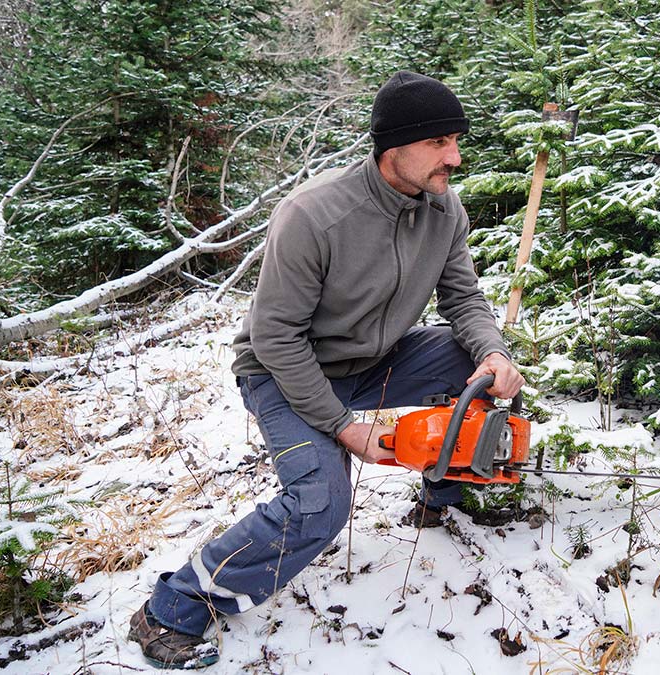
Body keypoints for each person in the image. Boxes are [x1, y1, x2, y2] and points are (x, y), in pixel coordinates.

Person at [127, 71, 524, 670]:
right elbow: (275, 336)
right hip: (282, 371)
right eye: (439, 142)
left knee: (470, 361)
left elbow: (463, 298)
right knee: (319, 504)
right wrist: (344, 427)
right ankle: (172, 608)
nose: (455, 158)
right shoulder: (315, 215)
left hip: (376, 359)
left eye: (456, 141)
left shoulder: (444, 209)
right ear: (394, 147)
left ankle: (443, 494)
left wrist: (494, 352)